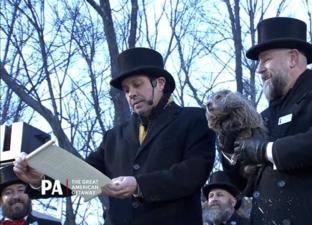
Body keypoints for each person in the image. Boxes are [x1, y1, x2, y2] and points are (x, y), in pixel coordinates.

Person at [13, 47, 216, 225]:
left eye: (137, 85)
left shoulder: (194, 119)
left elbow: (192, 173)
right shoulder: (114, 136)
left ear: (160, 83)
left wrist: (139, 185)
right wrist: (39, 181)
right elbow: (82, 177)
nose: (131, 94)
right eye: (126, 90)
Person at [221, 17, 312, 225]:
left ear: (292, 58)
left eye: (266, 59)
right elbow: (243, 184)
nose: (259, 69)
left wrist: (265, 151)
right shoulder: (264, 116)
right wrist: (230, 149)